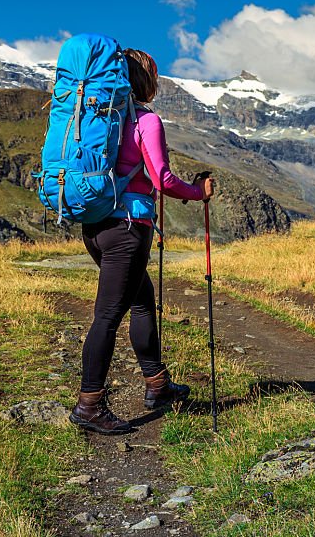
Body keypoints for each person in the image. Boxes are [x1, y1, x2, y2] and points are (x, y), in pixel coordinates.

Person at [69, 48, 214, 435]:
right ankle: (89, 404)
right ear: (146, 80)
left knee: (141, 300)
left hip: (95, 226)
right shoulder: (145, 120)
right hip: (128, 229)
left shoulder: (93, 118)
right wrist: (198, 192)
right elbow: (163, 179)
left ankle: (158, 384)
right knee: (108, 315)